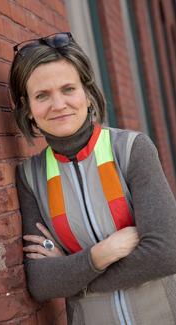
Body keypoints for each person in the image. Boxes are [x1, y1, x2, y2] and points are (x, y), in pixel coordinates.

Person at [9, 32, 176, 325]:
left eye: (68, 89)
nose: (58, 104)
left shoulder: (131, 150)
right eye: (42, 96)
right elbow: (42, 282)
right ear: (29, 110)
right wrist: (99, 255)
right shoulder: (30, 177)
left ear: (86, 93)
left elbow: (166, 253)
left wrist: (76, 278)